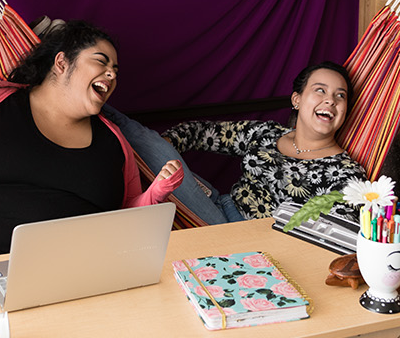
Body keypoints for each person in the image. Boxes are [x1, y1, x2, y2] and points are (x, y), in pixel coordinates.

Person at [0, 21, 182, 264]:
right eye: (101, 61)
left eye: (116, 70)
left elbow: (124, 218)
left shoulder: (115, 143)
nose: (112, 74)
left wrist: (154, 195)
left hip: (68, 273)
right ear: (61, 62)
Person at [110, 61, 365, 224]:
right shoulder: (267, 134)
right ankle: (98, 109)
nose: (330, 100)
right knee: (154, 146)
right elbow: (201, 132)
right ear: (297, 100)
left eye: (339, 96)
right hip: (219, 204)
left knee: (156, 152)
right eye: (320, 90)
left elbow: (336, 234)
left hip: (240, 234)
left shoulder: (346, 173)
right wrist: (165, 144)